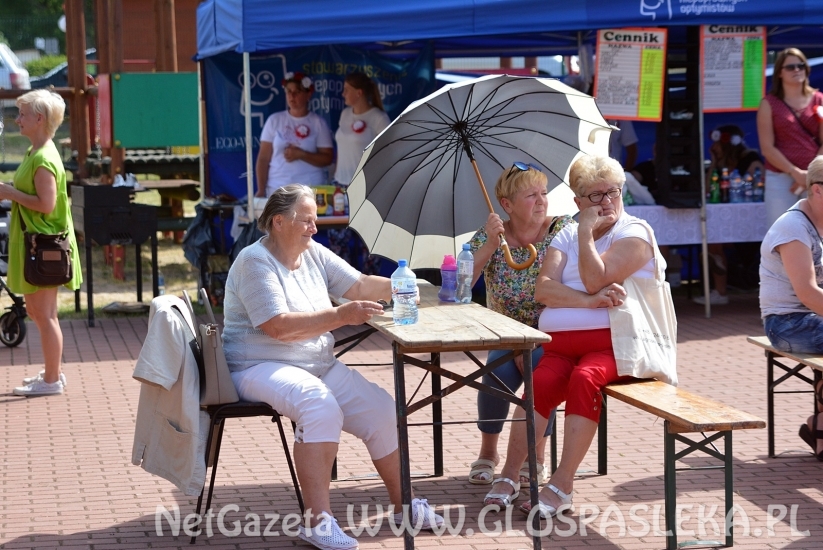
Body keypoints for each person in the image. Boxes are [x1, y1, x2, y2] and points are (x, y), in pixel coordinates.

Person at [222, 184, 443, 549]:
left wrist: (401, 285)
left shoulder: (312, 253)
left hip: (314, 362)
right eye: (307, 220)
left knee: (383, 410)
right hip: (256, 364)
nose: (315, 228)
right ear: (278, 221)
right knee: (318, 405)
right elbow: (278, 326)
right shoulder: (253, 261)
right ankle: (317, 522)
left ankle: (404, 506)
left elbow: (356, 285)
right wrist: (341, 316)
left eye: (315, 220)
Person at [483, 155, 662, 516]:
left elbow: (599, 277)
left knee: (585, 379)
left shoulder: (634, 231)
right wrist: (590, 300)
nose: (606, 202)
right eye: (594, 196)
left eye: (612, 192)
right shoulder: (565, 235)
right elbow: (544, 290)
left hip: (615, 347)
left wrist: (584, 234)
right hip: (561, 347)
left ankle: (562, 484)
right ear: (578, 202)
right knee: (538, 385)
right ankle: (509, 474)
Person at [467, 163, 575, 489]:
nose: (541, 200)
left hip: (551, 331)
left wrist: (532, 344)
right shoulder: (491, 234)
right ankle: (489, 452)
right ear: (507, 204)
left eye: (544, 193)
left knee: (543, 372)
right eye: (531, 195)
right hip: (506, 331)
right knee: (496, 375)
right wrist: (488, 244)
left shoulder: (562, 229)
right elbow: (459, 287)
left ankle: (536, 457)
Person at [2, 90, 82, 396]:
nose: (17, 119)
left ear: (39, 119)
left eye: (22, 114)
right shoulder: (36, 152)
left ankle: (51, 381)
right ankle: (52, 373)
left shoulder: (44, 158)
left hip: (45, 245)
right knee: (38, 312)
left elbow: (46, 204)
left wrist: (9, 193)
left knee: (44, 314)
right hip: (37, 243)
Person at [759, 155, 823, 461]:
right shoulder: (793, 226)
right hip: (786, 323)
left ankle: (819, 427)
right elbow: (809, 294)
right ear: (817, 190)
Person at [328, 72, 391, 273]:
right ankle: (342, 288)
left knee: (368, 242)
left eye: (346, 89)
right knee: (338, 241)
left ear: (359, 92)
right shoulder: (345, 114)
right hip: (340, 186)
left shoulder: (378, 118)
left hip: (367, 187)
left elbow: (388, 153)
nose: (342, 93)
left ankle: (370, 290)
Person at [696, 124, 765, 306]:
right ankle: (720, 292)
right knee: (713, 239)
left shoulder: (750, 158)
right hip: (726, 214)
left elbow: (759, 182)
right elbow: (708, 188)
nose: (714, 148)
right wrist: (713, 162)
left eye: (717, 144)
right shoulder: (720, 163)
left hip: (752, 214)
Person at [757, 47, 823, 229]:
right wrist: (796, 173)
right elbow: (767, 148)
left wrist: (808, 176)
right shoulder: (768, 103)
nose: (797, 70)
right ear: (779, 73)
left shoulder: (819, 100)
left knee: (817, 232)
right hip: (780, 178)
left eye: (801, 65)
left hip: (817, 177)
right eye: (790, 67)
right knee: (781, 232)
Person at [255, 72, 333, 198]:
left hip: (310, 189)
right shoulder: (274, 120)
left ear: (308, 94)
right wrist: (260, 189)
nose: (292, 96)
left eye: (297, 92)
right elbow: (263, 158)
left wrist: (302, 154)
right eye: (288, 91)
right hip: (278, 188)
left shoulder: (318, 122)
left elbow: (327, 158)